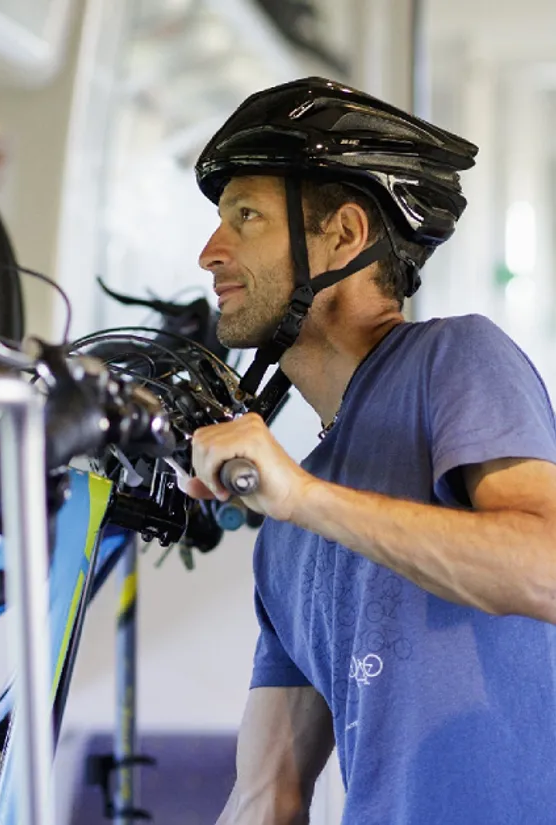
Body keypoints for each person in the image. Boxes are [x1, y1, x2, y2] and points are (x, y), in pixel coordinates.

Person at [183, 77, 556, 824]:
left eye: (245, 217)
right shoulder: (286, 528)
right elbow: (265, 796)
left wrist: (304, 499)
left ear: (345, 236)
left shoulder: (455, 358)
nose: (209, 253)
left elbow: (546, 566)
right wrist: (298, 503)